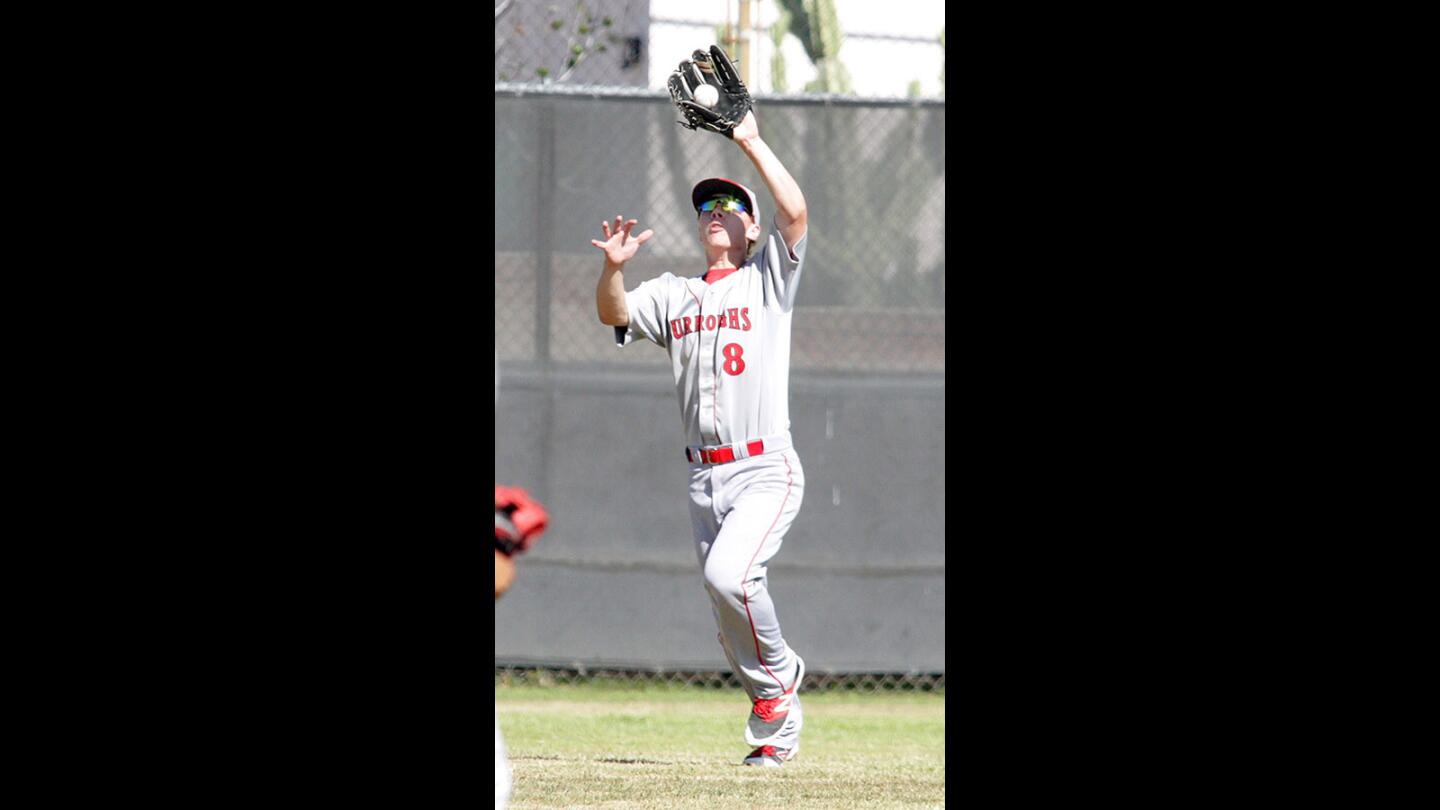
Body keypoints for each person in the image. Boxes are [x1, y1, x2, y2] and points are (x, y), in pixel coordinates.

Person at [591, 103, 809, 768]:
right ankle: (776, 736)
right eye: (707, 205)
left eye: (731, 206)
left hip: (764, 466)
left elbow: (795, 214)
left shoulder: (767, 278)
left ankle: (781, 674)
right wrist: (614, 270)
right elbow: (615, 314)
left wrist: (748, 142)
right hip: (703, 476)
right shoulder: (674, 294)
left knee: (729, 576)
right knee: (725, 609)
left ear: (748, 230)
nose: (717, 211)